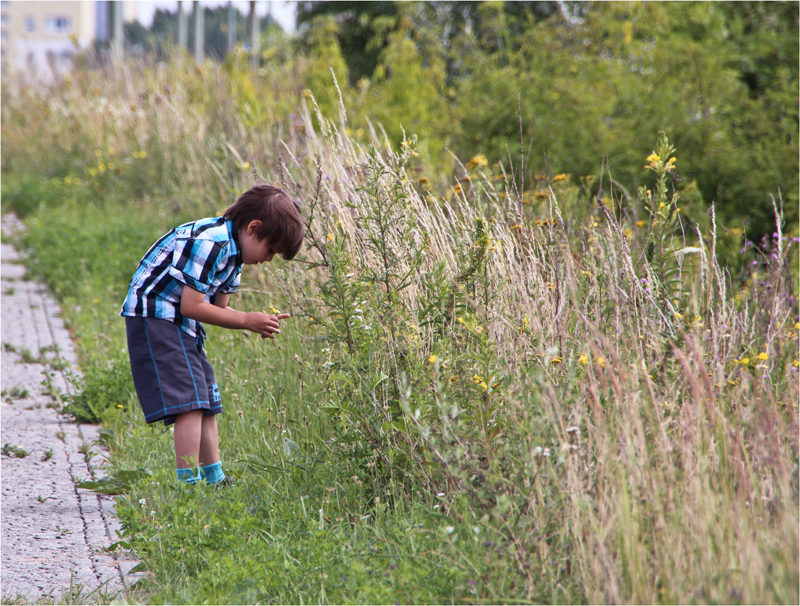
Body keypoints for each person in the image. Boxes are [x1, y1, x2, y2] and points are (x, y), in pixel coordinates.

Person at [120, 184, 304, 486]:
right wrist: (246, 320)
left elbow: (218, 309)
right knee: (189, 401)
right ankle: (187, 485)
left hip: (179, 320)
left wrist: (256, 321)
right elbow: (193, 306)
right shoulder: (213, 244)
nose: (269, 259)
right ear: (253, 228)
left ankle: (214, 478)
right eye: (271, 249)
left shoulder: (235, 256)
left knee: (207, 398)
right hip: (155, 315)